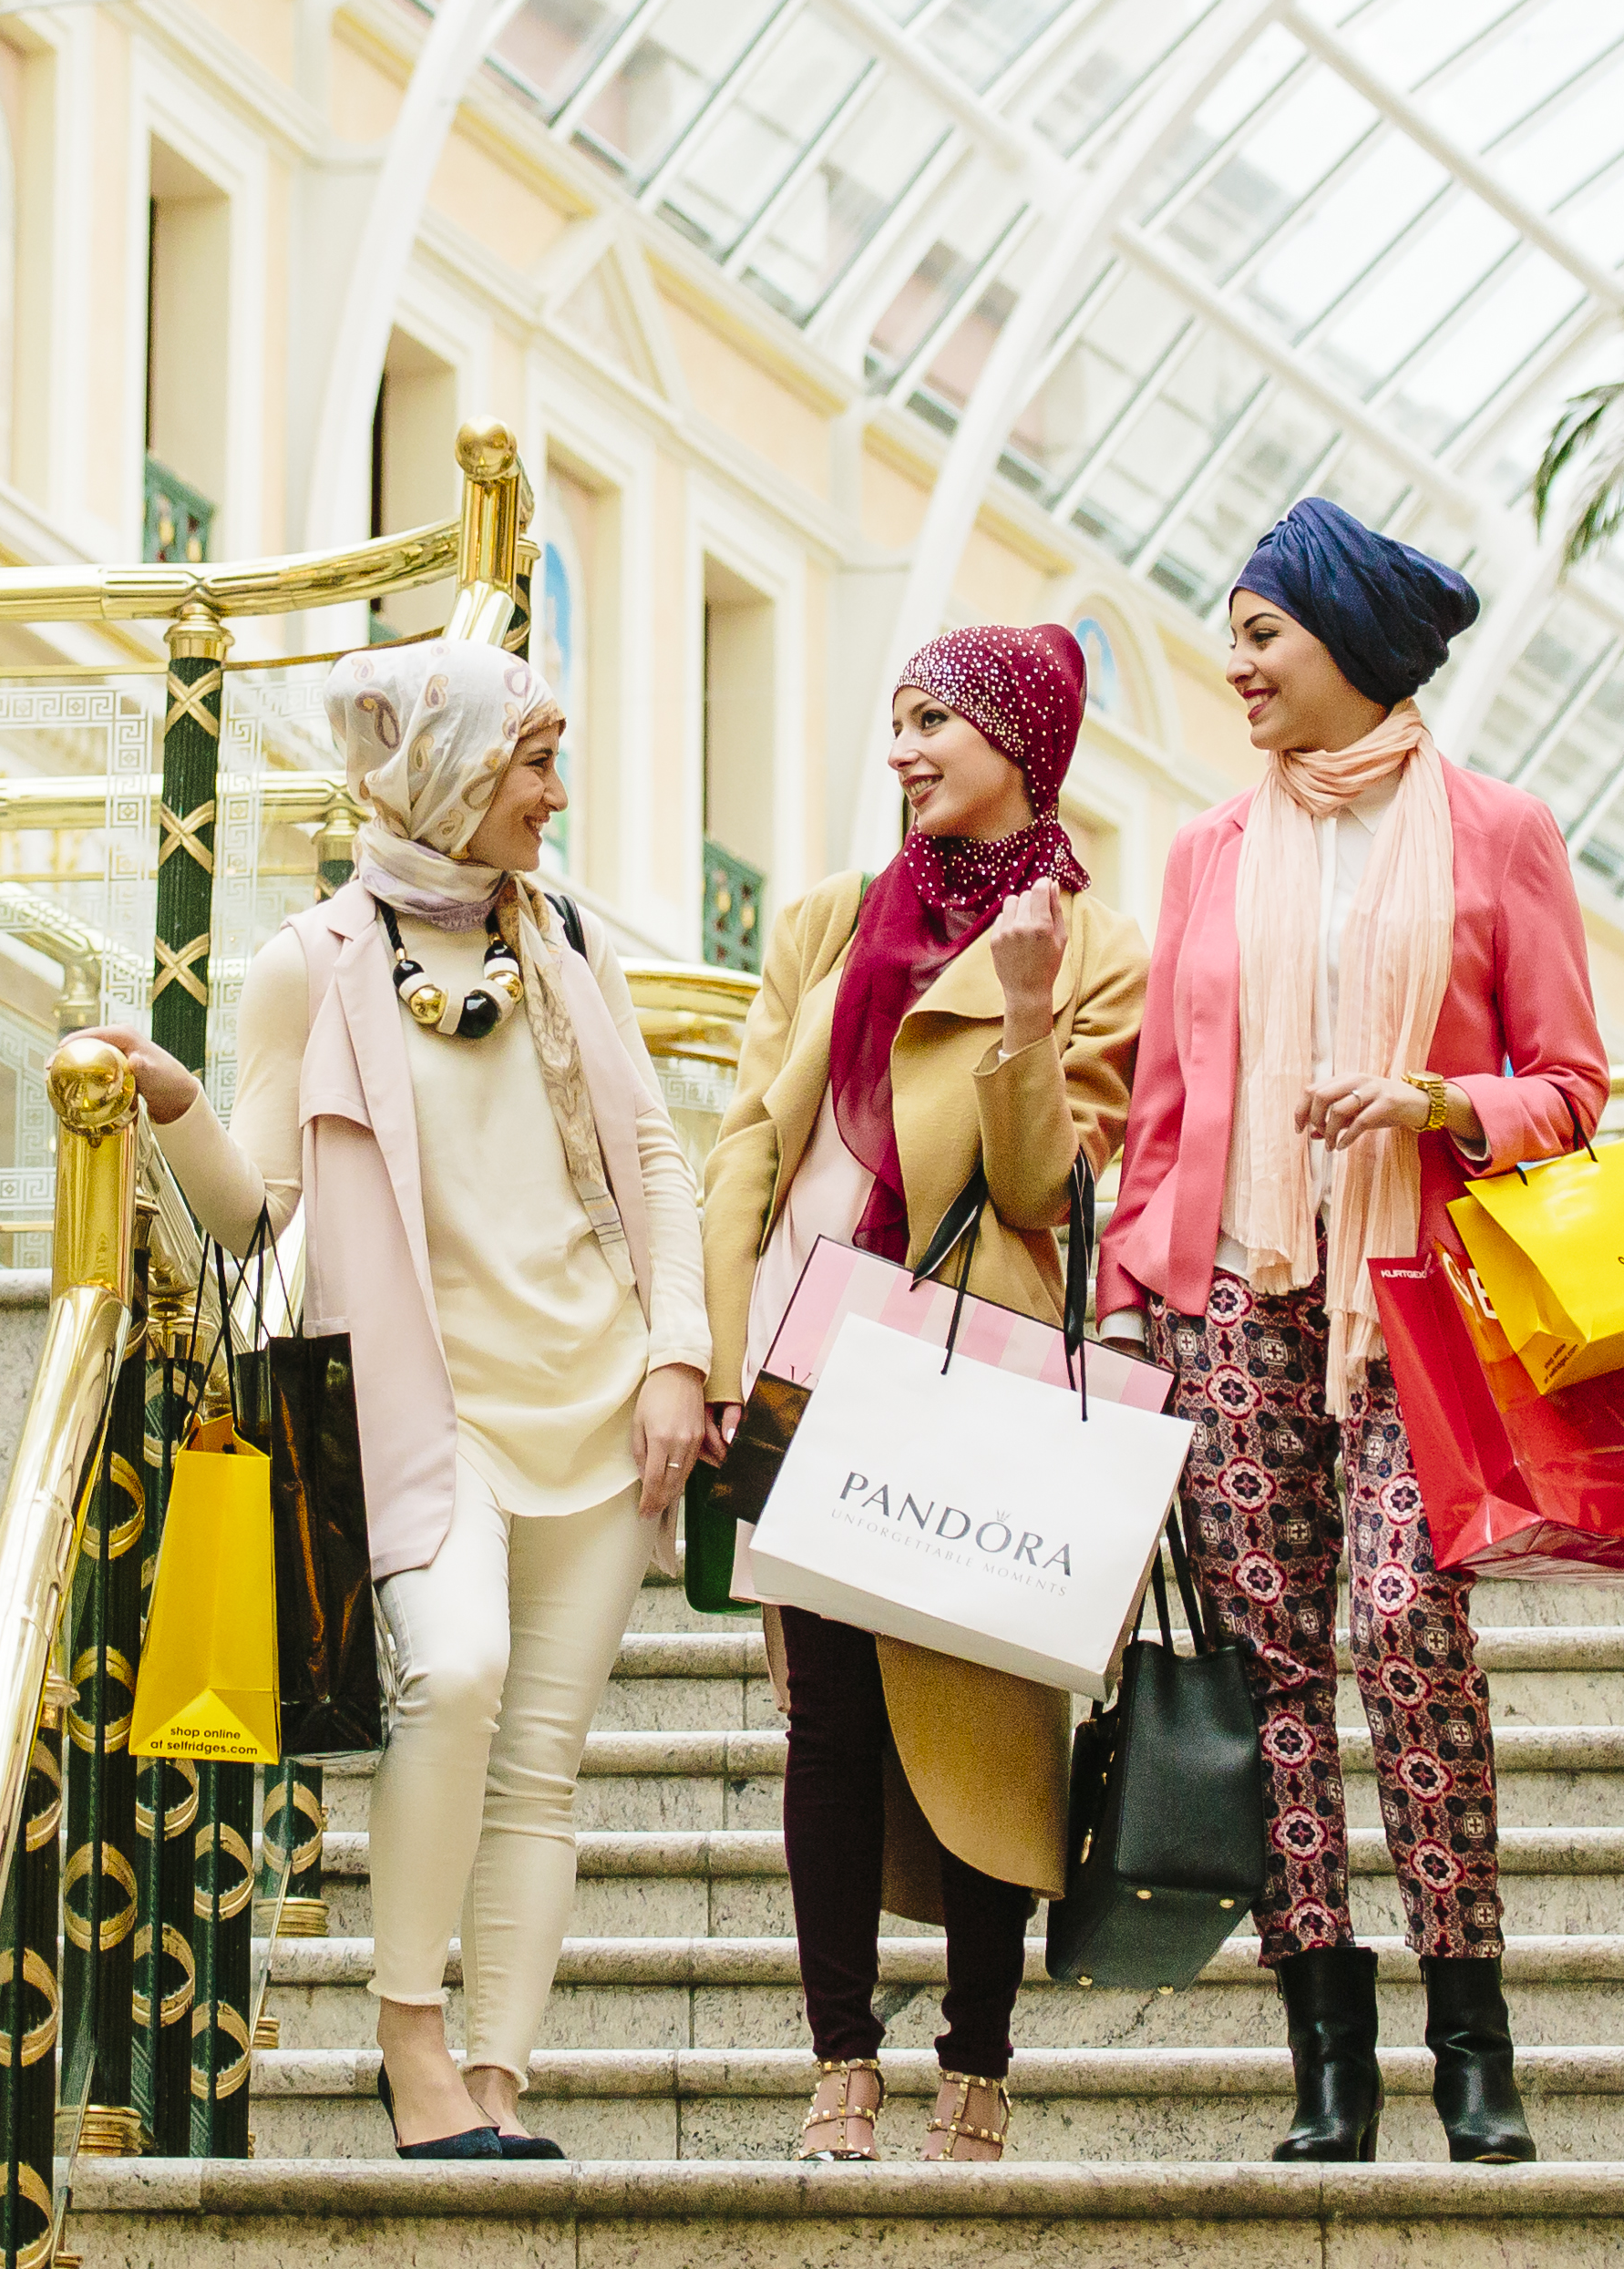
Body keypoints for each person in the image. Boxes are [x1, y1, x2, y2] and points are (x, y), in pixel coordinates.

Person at [91, 634, 709, 2162]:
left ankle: (497, 2083)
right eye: (531, 762)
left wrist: (679, 1354)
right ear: (447, 771)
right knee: (455, 1673)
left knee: (543, 1766)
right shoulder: (315, 963)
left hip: (600, 1392)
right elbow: (252, 1219)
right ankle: (408, 2034)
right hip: (428, 1417)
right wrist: (171, 1105)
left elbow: (654, 1156)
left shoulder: (560, 934)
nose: (554, 794)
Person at [1091, 498, 1608, 2167]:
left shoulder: (1500, 832)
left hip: (1418, 1304)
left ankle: (1475, 2036)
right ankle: (1327, 2053)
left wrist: (1439, 1099)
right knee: (1274, 1675)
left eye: (1261, 633)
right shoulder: (1205, 854)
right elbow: (1164, 1110)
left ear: (1349, 646)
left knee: (1401, 1623)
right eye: (1232, 633)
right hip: (1230, 1296)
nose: (1231, 663)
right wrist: (1125, 1311)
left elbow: (1575, 1093)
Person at [698, 626, 1146, 2165]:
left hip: (970, 1363)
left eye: (933, 720)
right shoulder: (830, 920)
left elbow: (1040, 1184)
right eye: (892, 719)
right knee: (824, 1719)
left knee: (984, 1712)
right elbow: (749, 1136)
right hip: (813, 1348)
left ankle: (978, 2061)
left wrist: (1024, 1014)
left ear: (1018, 737)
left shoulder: (1095, 948)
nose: (901, 749)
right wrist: (713, 1343)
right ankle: (841, 2059)